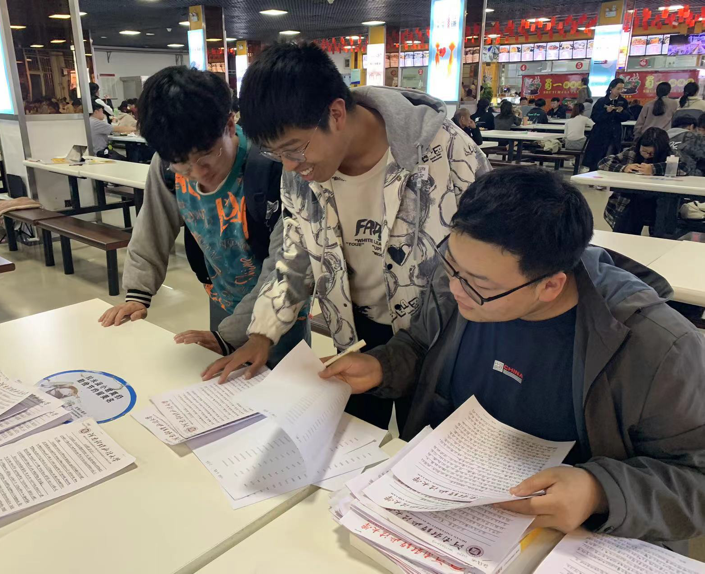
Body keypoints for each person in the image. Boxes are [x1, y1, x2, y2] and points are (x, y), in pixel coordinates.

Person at [321, 166, 705, 547]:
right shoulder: (463, 276)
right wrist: (382, 366)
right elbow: (422, 346)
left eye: (479, 285)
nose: (455, 288)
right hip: (454, 506)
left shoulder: (658, 347)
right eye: (451, 265)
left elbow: (695, 479)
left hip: (569, 540)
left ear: (550, 286)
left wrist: (598, 491)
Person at [203, 42, 490, 430]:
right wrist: (261, 334)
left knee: (422, 441)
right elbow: (295, 255)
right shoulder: (301, 174)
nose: (290, 166)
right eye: (276, 154)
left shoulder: (448, 154)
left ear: (336, 113)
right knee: (354, 443)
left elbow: (483, 265)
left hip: (436, 339)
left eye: (294, 149)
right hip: (354, 332)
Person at [97, 66, 309, 367]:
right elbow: (152, 225)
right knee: (226, 386)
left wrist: (232, 336)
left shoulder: (273, 166)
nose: (197, 173)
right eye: (183, 165)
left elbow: (285, 263)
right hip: (222, 296)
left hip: (280, 306)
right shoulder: (166, 164)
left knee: (280, 384)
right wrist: (137, 294)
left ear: (229, 124)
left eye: (207, 156)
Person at [600, 128, 686, 235]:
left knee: (663, 209)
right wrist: (624, 167)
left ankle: (660, 238)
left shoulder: (670, 155)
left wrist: (654, 169)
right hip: (632, 199)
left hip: (658, 199)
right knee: (629, 211)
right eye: (644, 151)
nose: (647, 155)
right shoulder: (632, 152)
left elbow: (683, 168)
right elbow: (604, 162)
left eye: (651, 153)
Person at [583, 79, 629, 171]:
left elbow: (627, 116)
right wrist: (606, 112)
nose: (620, 91)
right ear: (611, 88)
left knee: (611, 156)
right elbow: (594, 117)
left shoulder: (623, 101)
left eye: (622, 89)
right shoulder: (601, 101)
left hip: (614, 133)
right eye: (618, 89)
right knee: (597, 156)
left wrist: (621, 112)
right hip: (600, 133)